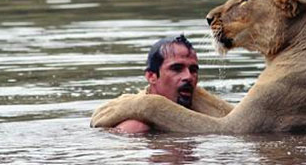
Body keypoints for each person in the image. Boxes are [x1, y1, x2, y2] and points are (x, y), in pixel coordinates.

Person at [94, 34, 233, 134]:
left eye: (193, 70)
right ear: (151, 76)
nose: (188, 77)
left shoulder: (206, 109)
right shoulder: (136, 128)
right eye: (176, 69)